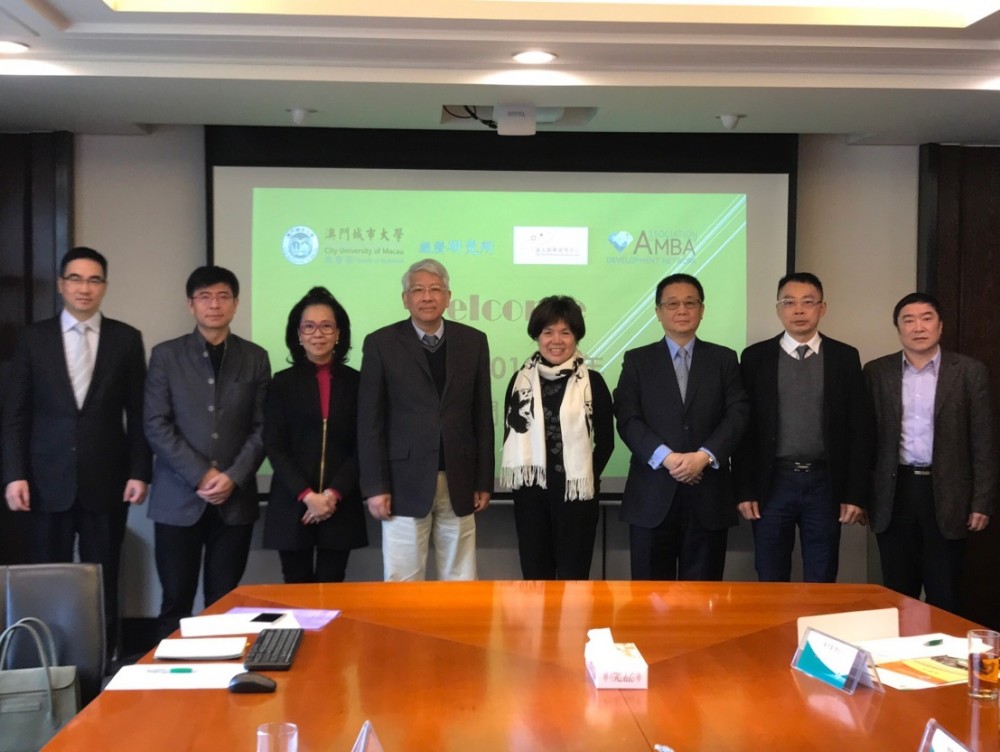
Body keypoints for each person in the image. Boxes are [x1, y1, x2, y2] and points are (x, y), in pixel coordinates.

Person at [1, 246, 151, 657]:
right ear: (62, 285)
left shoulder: (125, 338)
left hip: (108, 479)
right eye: (76, 279)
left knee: (103, 574)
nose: (85, 288)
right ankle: (47, 658)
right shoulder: (34, 339)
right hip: (45, 481)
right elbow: (14, 413)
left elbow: (138, 414)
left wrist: (140, 471)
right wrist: (14, 474)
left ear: (104, 286)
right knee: (47, 577)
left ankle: (103, 658)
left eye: (94, 279)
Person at [144, 266, 270, 638]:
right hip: (177, 500)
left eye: (222, 296)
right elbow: (155, 423)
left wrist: (232, 476)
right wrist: (201, 474)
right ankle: (169, 682)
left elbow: (264, 427)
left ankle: (223, 680)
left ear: (235, 303)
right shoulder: (166, 356)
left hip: (234, 501)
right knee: (175, 601)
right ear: (191, 305)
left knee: (225, 602)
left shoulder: (255, 358)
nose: (214, 305)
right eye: (205, 297)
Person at [358, 259, 493, 581]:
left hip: (459, 479)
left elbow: (481, 415)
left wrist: (483, 480)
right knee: (403, 579)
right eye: (417, 290)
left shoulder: (473, 341)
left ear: (448, 297)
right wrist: (375, 486)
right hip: (403, 481)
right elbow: (369, 422)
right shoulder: (381, 343)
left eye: (435, 290)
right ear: (405, 299)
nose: (427, 297)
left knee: (460, 579)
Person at [734, 272, 873, 583]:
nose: (799, 310)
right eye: (790, 302)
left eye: (807, 302)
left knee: (822, 575)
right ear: (778, 309)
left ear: (822, 308)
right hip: (773, 483)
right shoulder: (756, 358)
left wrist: (855, 494)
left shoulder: (844, 357)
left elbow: (859, 430)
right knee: (770, 574)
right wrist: (745, 489)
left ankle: (815, 633)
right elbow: (745, 430)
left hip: (824, 482)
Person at [864, 292, 997, 612]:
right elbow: (866, 439)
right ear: (898, 329)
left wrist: (982, 501)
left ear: (940, 326)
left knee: (945, 591)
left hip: (949, 492)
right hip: (895, 491)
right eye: (908, 320)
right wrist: (863, 495)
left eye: (926, 318)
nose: (918, 327)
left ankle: (941, 661)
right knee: (896, 591)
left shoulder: (968, 371)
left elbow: (983, 440)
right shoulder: (877, 372)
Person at [614, 273, 748, 580]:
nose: (682, 310)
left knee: (703, 600)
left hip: (708, 495)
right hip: (652, 496)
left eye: (690, 303)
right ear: (658, 312)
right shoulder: (637, 361)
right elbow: (627, 417)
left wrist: (704, 455)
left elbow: (738, 413)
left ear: (702, 309)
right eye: (672, 303)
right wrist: (668, 457)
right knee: (649, 600)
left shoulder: (724, 359)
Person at [500, 295, 614, 580]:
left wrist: (583, 477)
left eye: (565, 332)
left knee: (574, 579)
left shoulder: (593, 382)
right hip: (530, 495)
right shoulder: (519, 382)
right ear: (537, 336)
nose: (556, 340)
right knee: (535, 578)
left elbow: (606, 442)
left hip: (577, 498)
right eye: (547, 332)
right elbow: (509, 434)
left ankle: (575, 628)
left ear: (576, 337)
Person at [263, 287, 367, 582]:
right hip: (293, 501)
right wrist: (307, 496)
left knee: (332, 585)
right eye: (309, 326)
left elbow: (364, 445)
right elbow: (274, 445)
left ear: (338, 333)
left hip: (340, 503)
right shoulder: (281, 383)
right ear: (298, 334)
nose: (317, 334)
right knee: (296, 590)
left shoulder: (357, 383)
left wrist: (332, 495)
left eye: (326, 326)